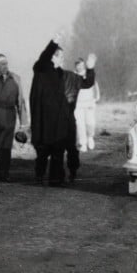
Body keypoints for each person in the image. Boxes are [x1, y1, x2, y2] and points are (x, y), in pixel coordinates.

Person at [29, 39, 96, 186]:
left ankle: (57, 179)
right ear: (52, 57)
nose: (63, 60)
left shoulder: (68, 76)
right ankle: (39, 175)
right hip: (45, 121)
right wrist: (53, 43)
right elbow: (43, 58)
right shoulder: (41, 70)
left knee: (60, 151)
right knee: (43, 151)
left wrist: (90, 69)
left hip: (64, 120)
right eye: (60, 56)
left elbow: (87, 83)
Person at [74, 58, 101, 152]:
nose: (79, 67)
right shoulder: (73, 76)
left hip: (89, 102)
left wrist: (96, 98)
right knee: (79, 124)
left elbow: (95, 86)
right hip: (78, 104)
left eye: (81, 65)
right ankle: (83, 143)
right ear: (76, 66)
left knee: (90, 122)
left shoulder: (89, 74)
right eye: (77, 65)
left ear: (84, 65)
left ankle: (90, 138)